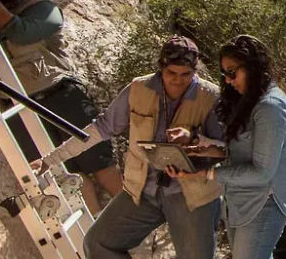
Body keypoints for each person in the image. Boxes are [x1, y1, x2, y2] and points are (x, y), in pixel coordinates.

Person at [0, 0, 123, 213]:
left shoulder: (44, 9)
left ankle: (137, 226)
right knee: (64, 173)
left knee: (101, 165)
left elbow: (20, 32)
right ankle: (97, 234)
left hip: (61, 95)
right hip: (19, 106)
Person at [34, 36, 224, 259]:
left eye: (186, 75)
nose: (178, 81)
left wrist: (193, 140)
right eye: (172, 73)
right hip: (143, 189)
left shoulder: (211, 96)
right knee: (98, 243)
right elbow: (100, 128)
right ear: (161, 67)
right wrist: (50, 159)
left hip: (191, 193)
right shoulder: (138, 88)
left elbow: (223, 149)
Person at [166, 35, 286, 259]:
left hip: (263, 204)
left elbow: (262, 172)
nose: (228, 80)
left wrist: (208, 174)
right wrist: (201, 148)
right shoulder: (250, 100)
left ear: (252, 67)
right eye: (224, 74)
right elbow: (239, 151)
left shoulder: (271, 108)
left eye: (232, 72)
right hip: (241, 203)